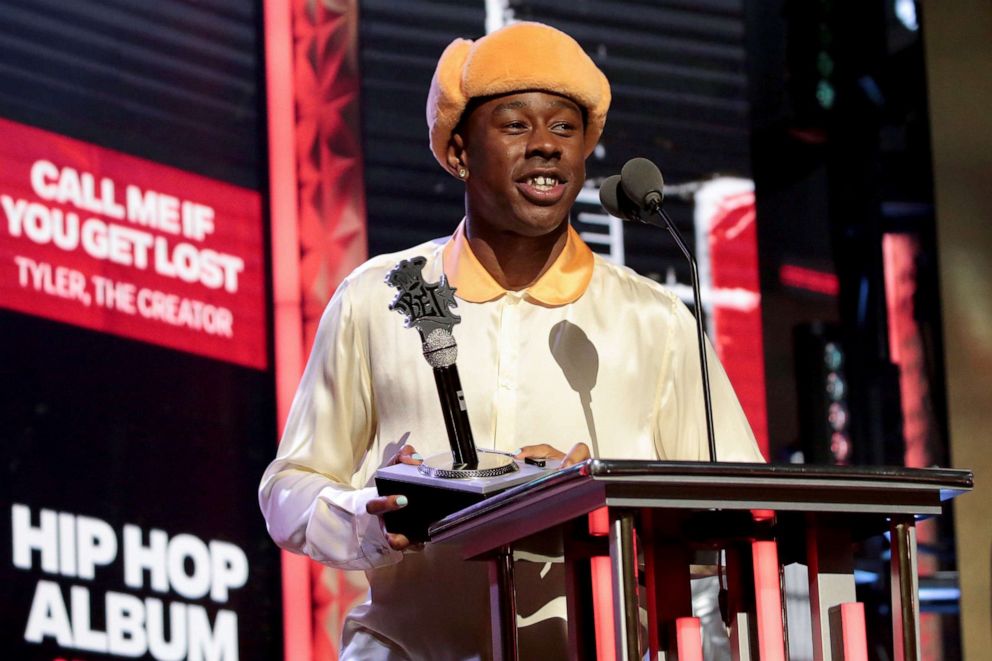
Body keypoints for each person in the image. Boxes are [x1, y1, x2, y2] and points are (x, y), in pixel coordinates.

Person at [259, 21, 764, 660]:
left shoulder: (655, 319)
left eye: (564, 128)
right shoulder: (376, 297)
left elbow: (737, 518)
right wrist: (368, 517)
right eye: (516, 125)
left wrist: (596, 501)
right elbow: (288, 489)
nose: (546, 147)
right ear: (461, 150)